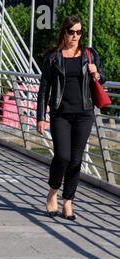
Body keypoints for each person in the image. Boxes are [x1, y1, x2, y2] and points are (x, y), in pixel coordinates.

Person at [36, 16, 106, 220]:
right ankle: (52, 192)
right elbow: (43, 90)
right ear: (64, 33)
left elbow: (103, 77)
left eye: (79, 32)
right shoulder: (52, 57)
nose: (75, 36)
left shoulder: (89, 54)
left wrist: (97, 74)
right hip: (60, 114)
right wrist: (40, 117)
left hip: (84, 113)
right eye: (71, 32)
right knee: (63, 157)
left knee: (76, 160)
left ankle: (68, 202)